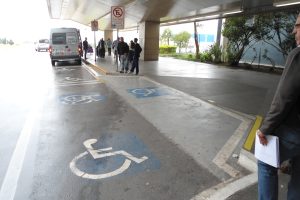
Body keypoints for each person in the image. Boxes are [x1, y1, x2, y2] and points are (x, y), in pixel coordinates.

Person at [257, 13, 300, 200]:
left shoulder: (298, 55)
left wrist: (266, 128)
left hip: (294, 131)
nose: (293, 31)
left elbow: (284, 96)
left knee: (266, 164)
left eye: (298, 25)